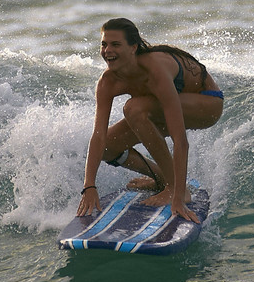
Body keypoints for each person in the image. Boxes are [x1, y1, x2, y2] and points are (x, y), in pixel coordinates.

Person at [76, 18, 223, 223]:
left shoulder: (155, 70)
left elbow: (180, 140)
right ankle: (161, 177)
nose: (107, 50)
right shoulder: (107, 82)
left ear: (133, 48)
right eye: (104, 44)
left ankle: (174, 187)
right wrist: (89, 186)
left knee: (134, 109)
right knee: (108, 146)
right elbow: (98, 136)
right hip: (160, 107)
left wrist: (178, 196)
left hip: (207, 103)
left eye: (116, 44)